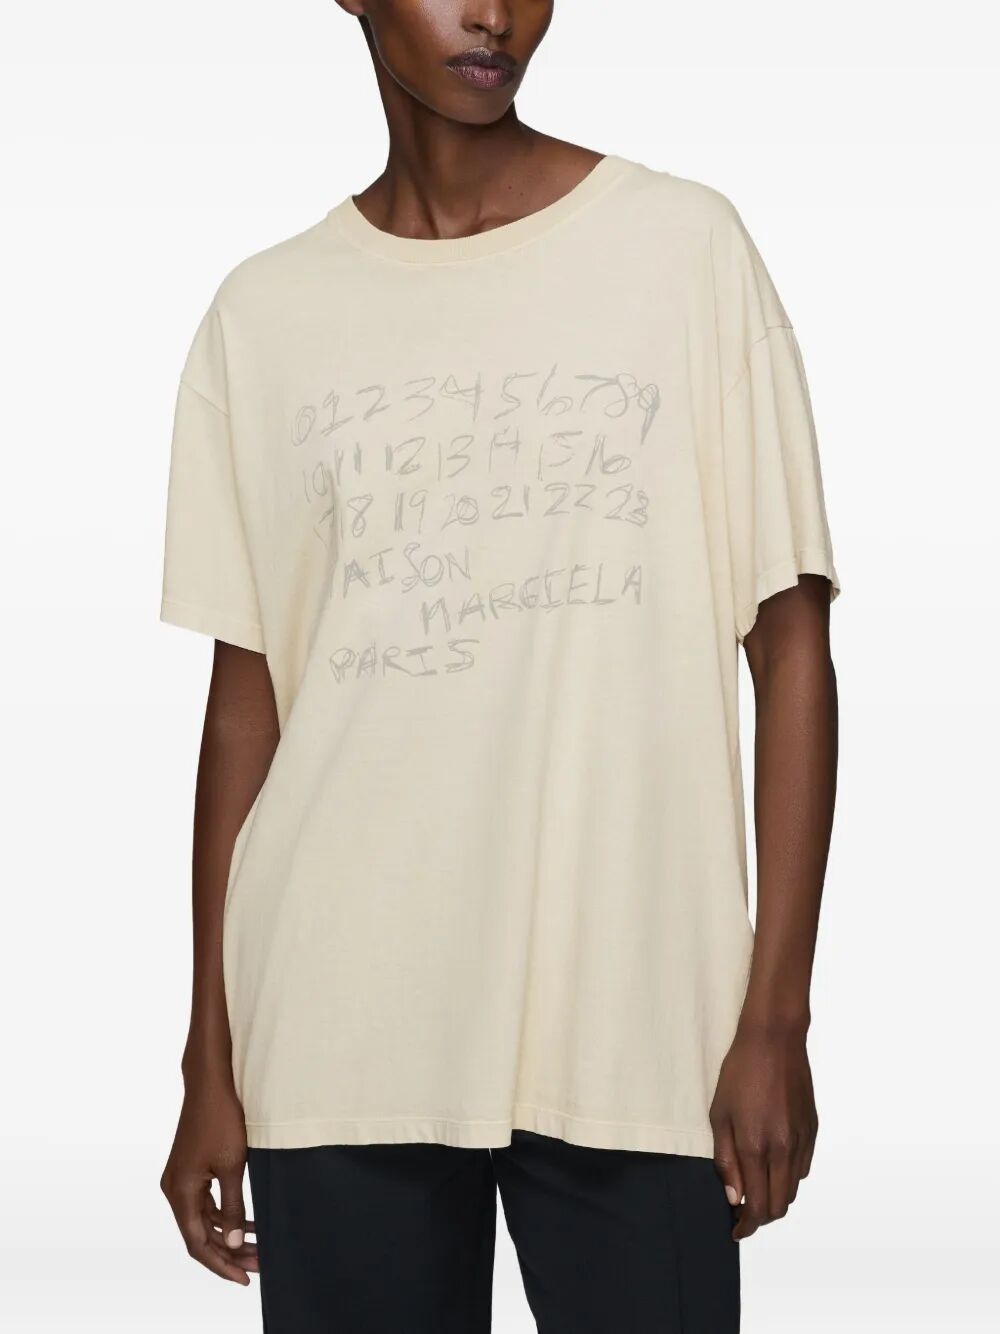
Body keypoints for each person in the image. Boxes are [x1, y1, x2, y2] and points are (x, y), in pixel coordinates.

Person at [158, 2, 839, 1330]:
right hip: (338, 1033)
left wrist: (776, 1018)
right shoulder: (265, 314)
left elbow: (793, 647)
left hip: (634, 1031)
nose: (494, 12)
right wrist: (209, 1057)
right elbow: (249, 710)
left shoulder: (682, 249)